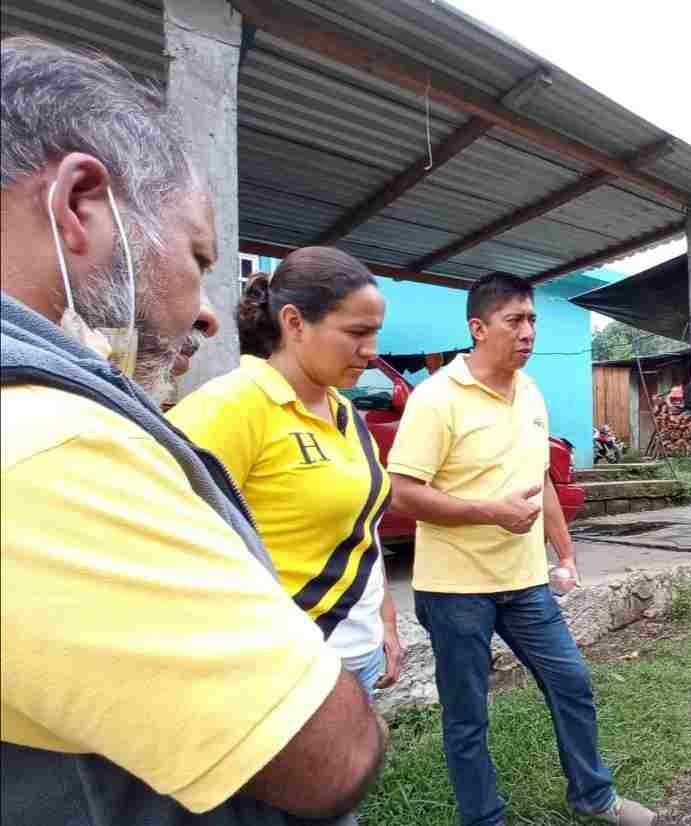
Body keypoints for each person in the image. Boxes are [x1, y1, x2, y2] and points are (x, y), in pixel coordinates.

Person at [1, 36, 385, 824]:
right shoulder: (49, 444)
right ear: (79, 205)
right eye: (196, 253)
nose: (209, 311)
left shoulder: (344, 411)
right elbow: (327, 756)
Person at [387, 273, 656, 826]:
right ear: (478, 328)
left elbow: (542, 481)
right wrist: (489, 511)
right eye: (515, 320)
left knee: (572, 684)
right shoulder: (436, 399)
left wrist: (566, 554)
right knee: (468, 717)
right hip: (454, 590)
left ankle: (593, 796)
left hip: (525, 581)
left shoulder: (531, 393)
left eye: (533, 319)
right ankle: (483, 819)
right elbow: (403, 493)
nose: (528, 332)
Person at [168, 247, 403, 694]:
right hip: (281, 678)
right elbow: (170, 552)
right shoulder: (230, 407)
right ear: (294, 323)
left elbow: (363, 527)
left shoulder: (346, 414)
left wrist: (385, 619)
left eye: (375, 333)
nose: (371, 352)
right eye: (356, 332)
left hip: (358, 661)